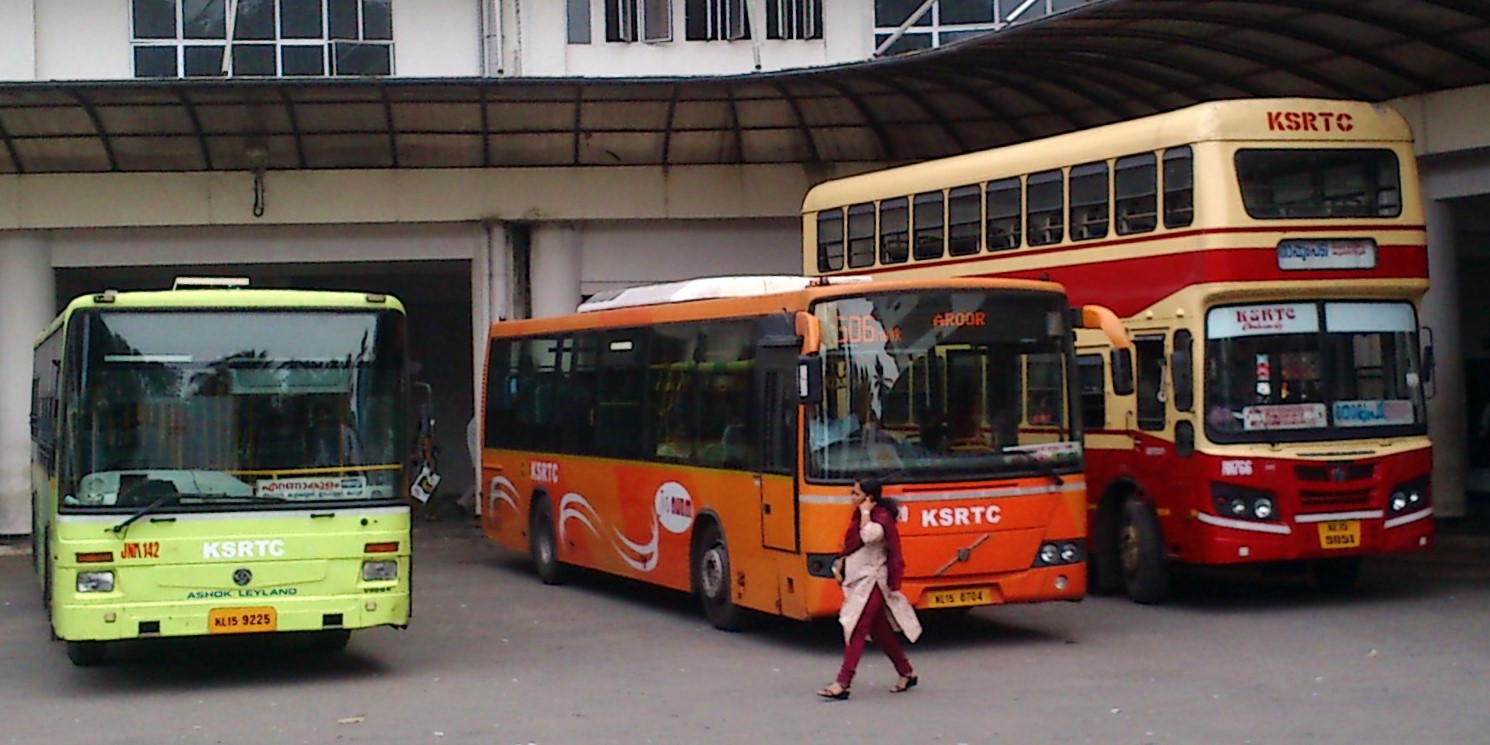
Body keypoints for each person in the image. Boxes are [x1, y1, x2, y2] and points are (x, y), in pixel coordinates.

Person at [816, 477, 922, 700]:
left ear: (869, 498)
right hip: (861, 580)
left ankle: (843, 682)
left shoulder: (880, 518)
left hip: (872, 581)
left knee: (857, 628)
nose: (852, 498)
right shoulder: (865, 515)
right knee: (879, 631)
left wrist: (865, 513)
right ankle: (906, 671)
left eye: (856, 494)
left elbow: (869, 536)